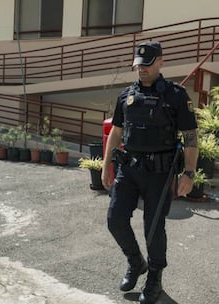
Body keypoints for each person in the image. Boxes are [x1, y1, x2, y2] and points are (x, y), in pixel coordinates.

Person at [101, 41, 199, 304]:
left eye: (146, 65)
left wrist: (189, 173)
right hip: (129, 169)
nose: (141, 70)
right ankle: (136, 262)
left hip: (160, 172)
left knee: (153, 229)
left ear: (160, 62)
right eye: (138, 65)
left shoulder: (176, 95)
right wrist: (106, 165)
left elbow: (190, 136)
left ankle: (154, 277)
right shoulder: (126, 96)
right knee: (115, 219)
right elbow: (117, 132)